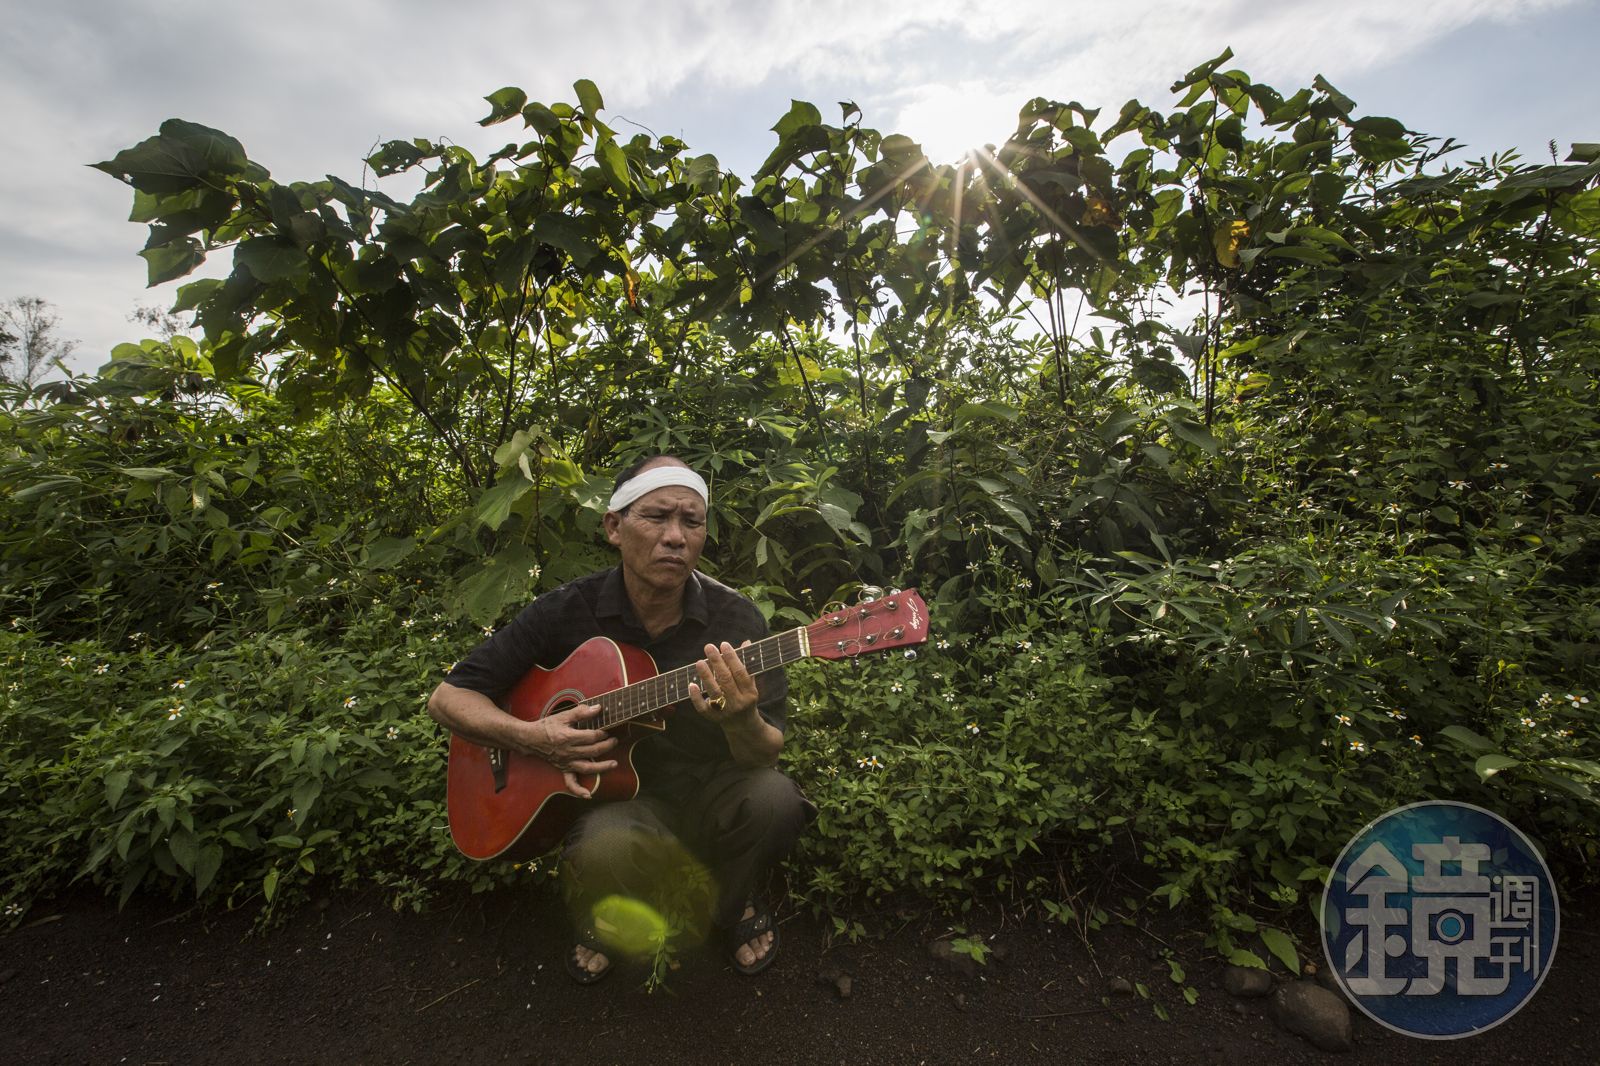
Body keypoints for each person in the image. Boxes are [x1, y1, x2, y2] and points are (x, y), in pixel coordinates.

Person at [426, 455, 811, 983]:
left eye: (692, 521)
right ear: (614, 526)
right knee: (605, 847)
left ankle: (731, 904)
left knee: (776, 800)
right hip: (619, 802)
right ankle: (607, 914)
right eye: (656, 516)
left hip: (712, 789)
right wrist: (532, 737)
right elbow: (448, 698)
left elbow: (763, 753)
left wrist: (740, 718)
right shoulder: (565, 610)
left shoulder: (737, 621)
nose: (675, 537)